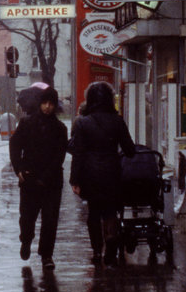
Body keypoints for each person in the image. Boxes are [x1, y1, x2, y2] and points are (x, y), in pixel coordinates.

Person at [68, 81, 136, 265]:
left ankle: (97, 250)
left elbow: (78, 153)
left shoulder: (83, 122)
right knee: (110, 211)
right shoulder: (117, 121)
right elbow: (130, 150)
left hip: (90, 174)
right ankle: (111, 242)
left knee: (94, 212)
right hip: (112, 172)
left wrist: (74, 179)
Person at [9, 86, 68, 269]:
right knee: (27, 218)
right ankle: (26, 240)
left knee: (50, 220)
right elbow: (15, 145)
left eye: (51, 104)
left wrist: (47, 176)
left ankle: (46, 255)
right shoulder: (27, 124)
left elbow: (59, 156)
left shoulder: (60, 128)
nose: (48, 107)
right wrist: (18, 168)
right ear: (40, 104)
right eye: (45, 103)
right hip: (29, 179)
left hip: (51, 182)